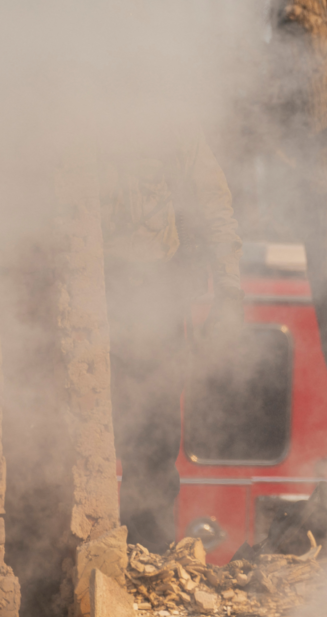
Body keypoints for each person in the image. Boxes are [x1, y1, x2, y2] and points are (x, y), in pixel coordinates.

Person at [100, 129, 243, 551]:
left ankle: (143, 552)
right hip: (91, 293)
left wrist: (230, 291)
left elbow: (216, 209)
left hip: (157, 295)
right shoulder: (78, 122)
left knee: (153, 435)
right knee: (71, 438)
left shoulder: (177, 131)